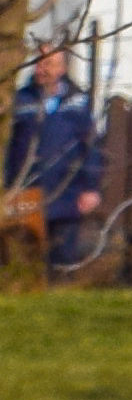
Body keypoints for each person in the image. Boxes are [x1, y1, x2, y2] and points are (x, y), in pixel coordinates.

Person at [6, 48, 93, 284]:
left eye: (49, 64)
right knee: (27, 257)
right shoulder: (20, 100)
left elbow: (91, 148)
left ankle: (64, 302)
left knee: (63, 256)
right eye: (38, 63)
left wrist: (90, 188)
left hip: (67, 191)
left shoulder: (77, 103)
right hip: (27, 192)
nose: (41, 69)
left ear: (62, 69)